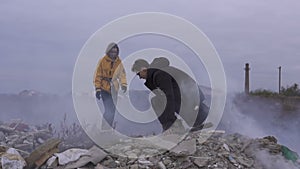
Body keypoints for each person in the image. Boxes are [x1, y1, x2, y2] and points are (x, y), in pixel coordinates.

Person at [131, 57, 209, 132]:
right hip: (190, 100)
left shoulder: (159, 75)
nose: (140, 77)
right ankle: (190, 122)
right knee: (159, 99)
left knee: (156, 101)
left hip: (192, 101)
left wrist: (169, 124)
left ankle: (174, 127)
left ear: (143, 69)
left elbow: (169, 97)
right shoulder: (158, 72)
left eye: (138, 74)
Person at [94, 42, 127, 128]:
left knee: (113, 110)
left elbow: (122, 74)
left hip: (114, 89)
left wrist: (123, 84)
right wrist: (97, 89)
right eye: (112, 52)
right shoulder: (102, 61)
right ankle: (104, 128)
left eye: (115, 52)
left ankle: (109, 128)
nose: (113, 54)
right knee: (108, 109)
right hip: (104, 88)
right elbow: (98, 75)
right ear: (108, 52)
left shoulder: (119, 62)